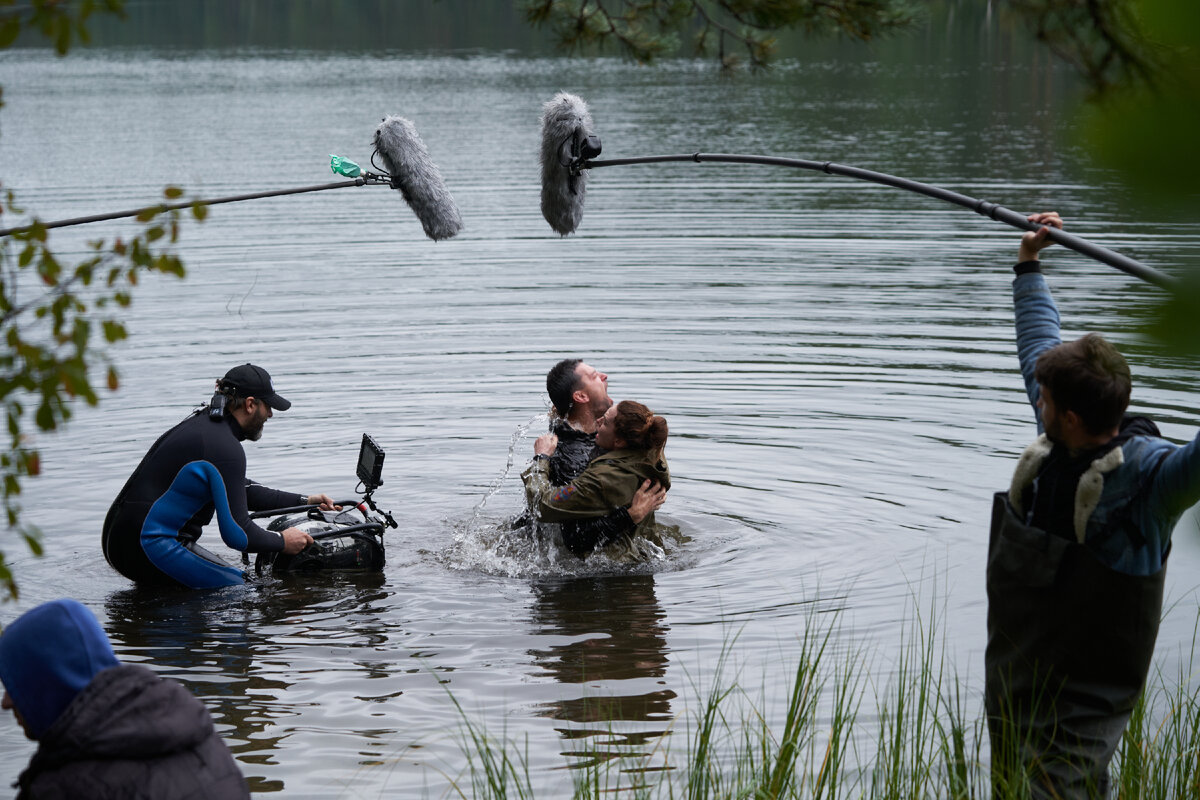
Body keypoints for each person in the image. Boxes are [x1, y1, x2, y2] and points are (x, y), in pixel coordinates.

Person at [985, 212, 1200, 799]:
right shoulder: (1058, 436)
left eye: (1045, 396)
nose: (1036, 395)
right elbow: (1038, 342)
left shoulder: (1156, 480)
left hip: (1087, 696)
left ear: (1072, 416)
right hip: (1017, 679)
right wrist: (1029, 264)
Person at [102, 363, 337, 589]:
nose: (271, 414)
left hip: (121, 538)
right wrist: (282, 541)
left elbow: (241, 490)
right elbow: (238, 534)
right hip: (149, 544)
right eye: (269, 406)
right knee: (245, 589)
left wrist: (304, 501)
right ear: (250, 404)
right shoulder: (224, 446)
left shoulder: (207, 427)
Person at [0, 598, 249, 798]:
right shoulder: (202, 740)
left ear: (50, 679)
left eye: (15, 683)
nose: (5, 701)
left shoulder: (64, 787)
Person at [524, 400, 672, 558]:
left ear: (619, 442)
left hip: (613, 571)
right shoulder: (652, 452)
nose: (598, 421)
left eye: (605, 422)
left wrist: (541, 458)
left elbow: (542, 505)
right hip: (647, 553)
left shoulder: (599, 479)